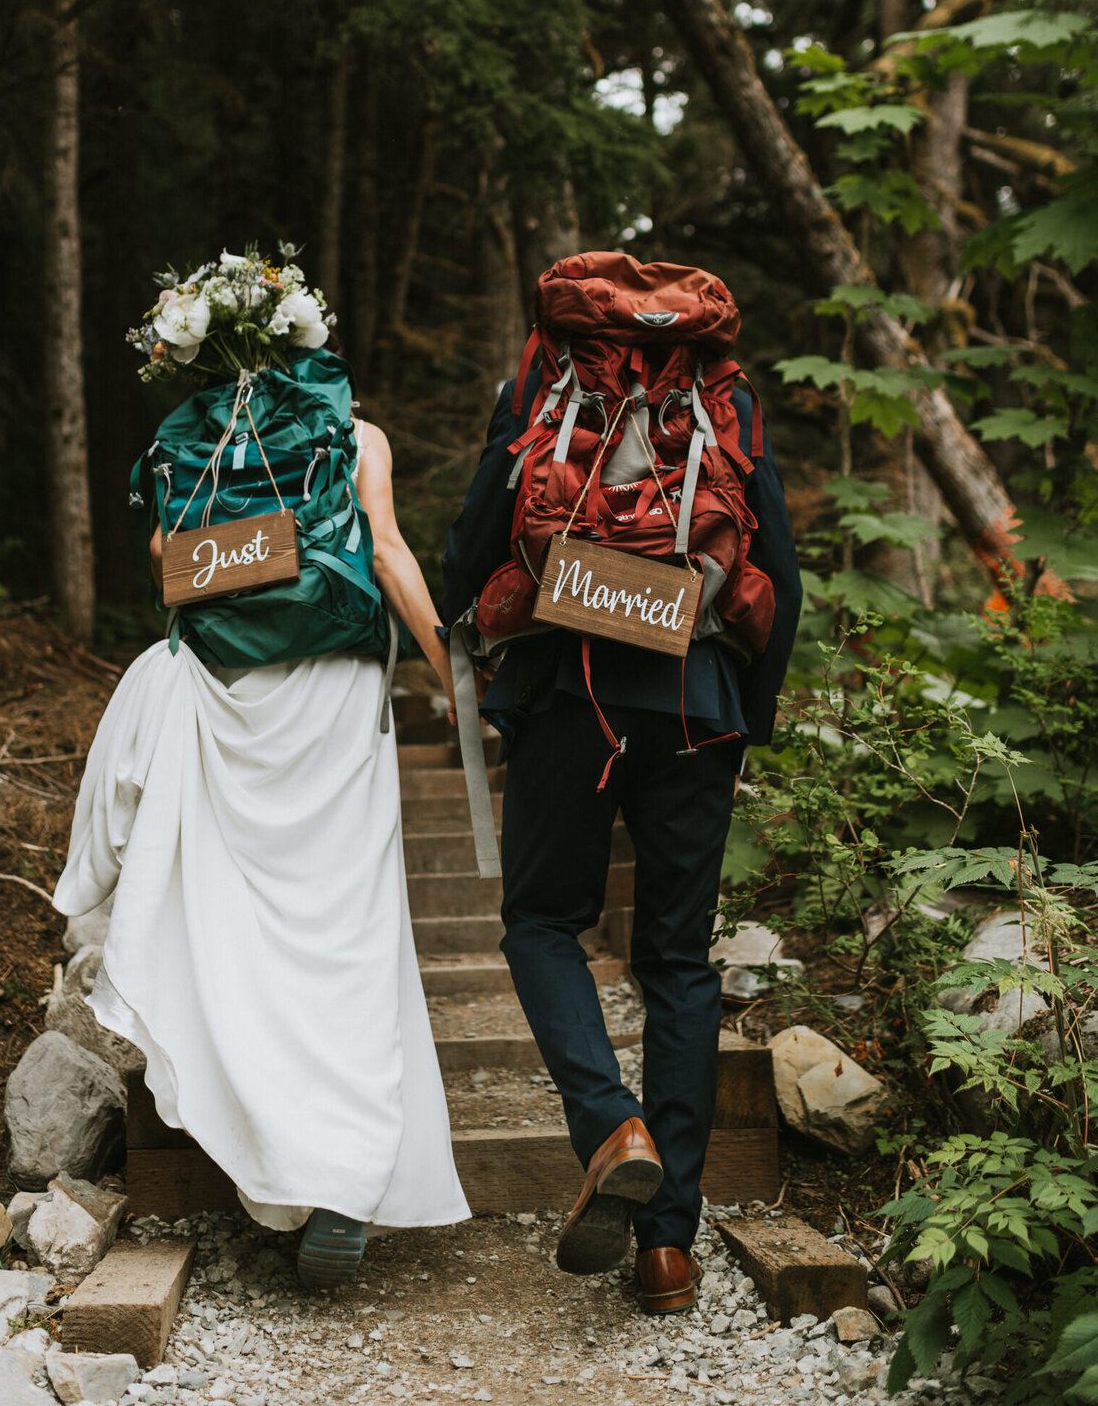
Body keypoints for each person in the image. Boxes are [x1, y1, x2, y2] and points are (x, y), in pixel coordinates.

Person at [55, 261, 469, 1285]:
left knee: (243, 929)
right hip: (333, 699)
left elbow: (166, 560)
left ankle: (275, 1144)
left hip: (231, 693)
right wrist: (451, 672)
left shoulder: (187, 441)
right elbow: (385, 551)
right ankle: (345, 1184)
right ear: (305, 347)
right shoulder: (353, 438)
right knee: (347, 933)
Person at [441, 256, 801, 1316]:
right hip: (698, 697)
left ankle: (611, 1126)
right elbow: (778, 556)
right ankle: (667, 1248)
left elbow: (480, 528)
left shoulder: (551, 386)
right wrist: (750, 716)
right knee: (678, 962)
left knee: (544, 921)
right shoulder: (724, 401)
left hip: (566, 685)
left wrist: (466, 624)